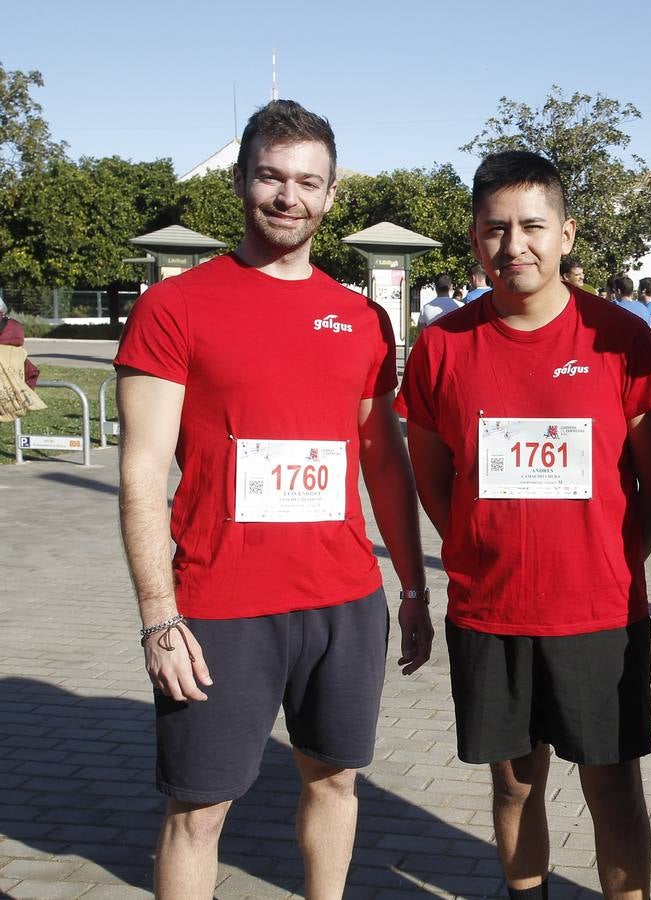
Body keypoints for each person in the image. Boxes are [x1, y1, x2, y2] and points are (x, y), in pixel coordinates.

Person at [114, 99, 428, 900]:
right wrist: (159, 614)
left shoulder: (360, 319)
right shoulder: (175, 307)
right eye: (272, 177)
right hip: (221, 607)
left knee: (335, 784)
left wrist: (417, 587)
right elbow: (143, 470)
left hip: (343, 600)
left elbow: (383, 460)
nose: (289, 196)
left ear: (330, 197)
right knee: (199, 810)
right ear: (243, 182)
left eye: (308, 182)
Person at [398, 150, 651, 900]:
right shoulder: (442, 346)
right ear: (474, 238)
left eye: (532, 226)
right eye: (495, 229)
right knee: (515, 788)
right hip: (493, 613)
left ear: (567, 235)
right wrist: (475, 547)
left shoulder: (622, 339)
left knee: (612, 788)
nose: (514, 245)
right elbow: (432, 476)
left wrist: (617, 557)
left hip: (598, 614)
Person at [611, 274, 651, 354]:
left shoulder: (615, 308)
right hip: (644, 352)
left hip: (625, 352)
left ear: (619, 291)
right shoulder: (644, 308)